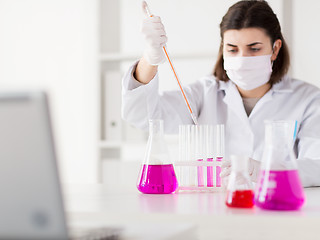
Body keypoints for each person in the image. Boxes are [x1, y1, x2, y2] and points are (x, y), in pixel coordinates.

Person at [121, 0, 320, 187]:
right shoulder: (204, 93)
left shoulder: (308, 100)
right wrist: (150, 59)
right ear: (222, 48)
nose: (242, 59)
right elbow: (141, 116)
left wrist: (264, 170)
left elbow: (317, 166)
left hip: (278, 212)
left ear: (275, 49)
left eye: (254, 49)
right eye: (232, 49)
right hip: (215, 210)